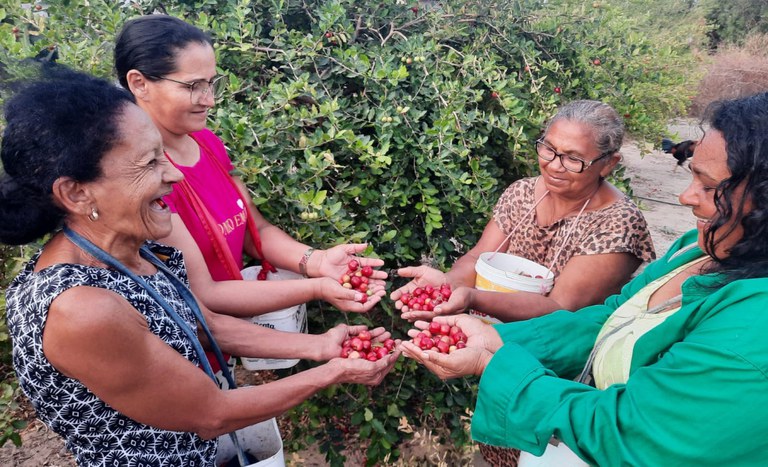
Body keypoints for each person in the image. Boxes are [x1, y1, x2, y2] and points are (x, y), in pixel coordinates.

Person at [0, 67, 399, 466]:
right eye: (150, 163)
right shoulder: (81, 308)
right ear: (75, 192)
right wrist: (333, 372)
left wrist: (321, 346)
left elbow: (199, 323)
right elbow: (212, 414)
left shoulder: (126, 250)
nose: (173, 174)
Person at [401, 91, 768, 465]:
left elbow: (632, 433)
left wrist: (492, 358)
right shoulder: (695, 249)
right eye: (549, 149)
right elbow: (611, 316)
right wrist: (493, 336)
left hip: (570, 412)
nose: (686, 196)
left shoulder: (753, 328)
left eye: (708, 187)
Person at [113, 14, 386, 322]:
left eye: (211, 83)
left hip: (229, 345)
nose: (210, 100)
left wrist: (318, 261)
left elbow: (255, 231)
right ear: (139, 83)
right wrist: (319, 287)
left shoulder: (206, 143)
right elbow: (205, 293)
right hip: (186, 353)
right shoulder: (142, 174)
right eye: (193, 86)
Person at [391, 100, 655, 325]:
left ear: (608, 163)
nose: (554, 166)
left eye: (573, 159)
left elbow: (561, 308)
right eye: (549, 149)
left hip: (559, 357)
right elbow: (477, 258)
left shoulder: (617, 224)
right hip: (497, 338)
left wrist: (471, 297)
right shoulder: (523, 193)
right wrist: (447, 285)